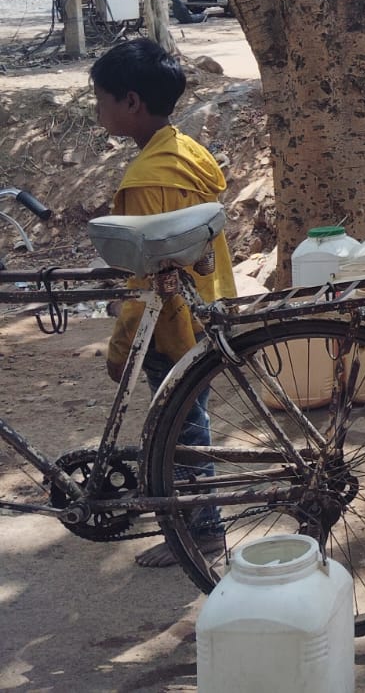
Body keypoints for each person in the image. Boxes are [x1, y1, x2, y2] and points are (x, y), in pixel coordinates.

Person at [91, 38, 234, 567]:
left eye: (101, 99)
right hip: (207, 309)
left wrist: (122, 345)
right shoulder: (185, 152)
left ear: (131, 101)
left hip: (170, 329)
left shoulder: (147, 180)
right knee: (190, 423)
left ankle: (203, 531)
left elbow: (150, 282)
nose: (97, 109)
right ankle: (201, 524)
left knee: (180, 433)